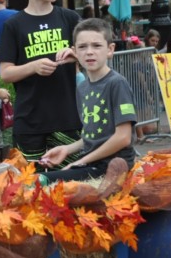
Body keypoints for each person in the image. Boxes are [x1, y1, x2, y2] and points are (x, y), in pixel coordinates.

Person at [0, 0, 82, 168]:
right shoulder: (13, 25)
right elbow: (5, 73)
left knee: (70, 179)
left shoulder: (70, 18)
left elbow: (94, 58)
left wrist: (76, 55)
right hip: (29, 120)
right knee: (31, 184)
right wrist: (33, 66)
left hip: (67, 116)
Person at [38, 19, 137, 182]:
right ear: (74, 52)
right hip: (89, 164)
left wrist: (81, 161)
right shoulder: (82, 87)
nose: (89, 52)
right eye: (82, 47)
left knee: (42, 181)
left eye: (96, 46)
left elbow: (123, 137)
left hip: (112, 168)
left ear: (110, 50)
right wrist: (67, 149)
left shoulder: (117, 83)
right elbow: (94, 134)